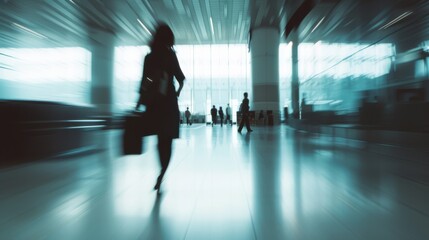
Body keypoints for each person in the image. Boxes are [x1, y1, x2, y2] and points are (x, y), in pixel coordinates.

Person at [135, 23, 185, 191]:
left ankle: (161, 171)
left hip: (154, 104)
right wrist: (177, 92)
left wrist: (138, 101)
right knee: (167, 140)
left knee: (159, 140)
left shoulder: (149, 57)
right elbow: (181, 78)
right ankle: (162, 172)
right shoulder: (171, 56)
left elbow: (144, 82)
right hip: (169, 103)